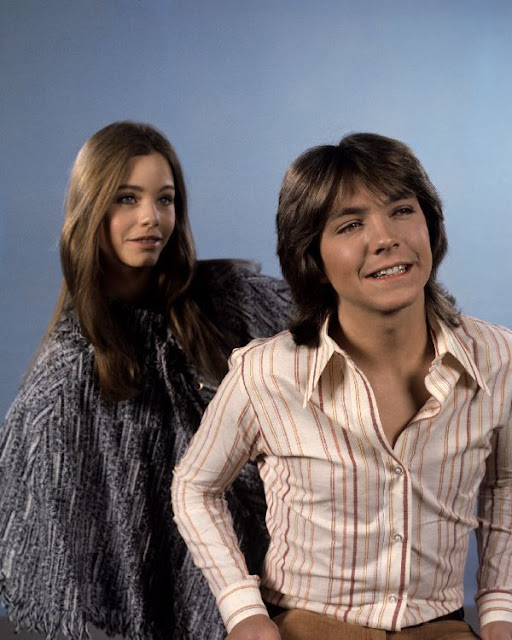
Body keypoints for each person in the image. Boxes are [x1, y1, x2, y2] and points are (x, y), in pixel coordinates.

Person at [172, 133, 512, 640]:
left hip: (439, 627)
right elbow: (194, 487)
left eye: (402, 210)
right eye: (351, 225)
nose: (385, 238)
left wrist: (500, 611)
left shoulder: (499, 359)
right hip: (308, 625)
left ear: (430, 224)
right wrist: (243, 610)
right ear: (312, 257)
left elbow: (505, 484)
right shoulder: (267, 373)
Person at [0, 121, 292, 640]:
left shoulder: (229, 300)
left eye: (165, 199)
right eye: (127, 198)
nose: (151, 218)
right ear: (90, 208)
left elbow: (336, 325)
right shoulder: (67, 377)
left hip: (277, 598)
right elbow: (53, 559)